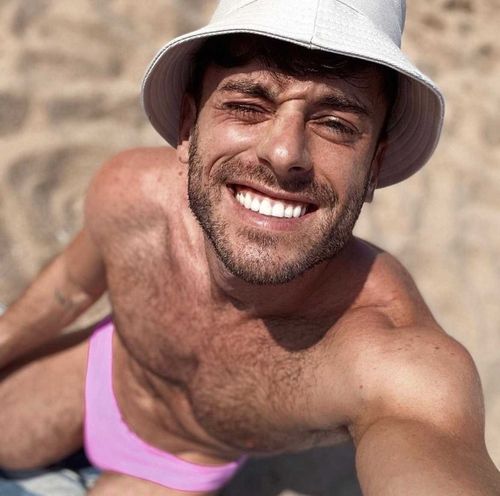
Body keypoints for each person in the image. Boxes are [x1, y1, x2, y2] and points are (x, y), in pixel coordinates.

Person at [0, 0, 499, 494]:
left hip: (181, 465)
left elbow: (432, 440)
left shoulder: (389, 354)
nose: (283, 153)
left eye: (336, 124)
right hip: (106, 375)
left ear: (374, 167)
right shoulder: (131, 193)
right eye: (247, 106)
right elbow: (68, 289)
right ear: (188, 127)